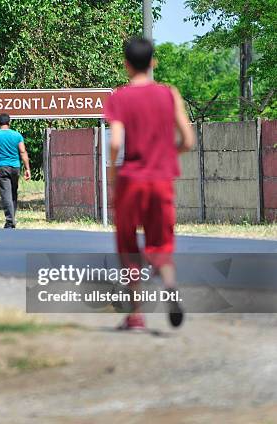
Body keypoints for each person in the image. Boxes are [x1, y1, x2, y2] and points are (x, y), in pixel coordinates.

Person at [104, 37, 195, 330]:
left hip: (131, 179)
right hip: (161, 179)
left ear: (126, 64)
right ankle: (169, 283)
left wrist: (113, 175)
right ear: (153, 62)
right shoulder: (169, 94)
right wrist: (167, 154)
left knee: (129, 245)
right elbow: (188, 140)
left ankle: (136, 314)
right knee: (160, 242)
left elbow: (116, 141)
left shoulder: (119, 97)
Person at [0, 113, 31, 229]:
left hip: (1, 167)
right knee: (13, 193)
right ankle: (12, 218)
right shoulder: (17, 135)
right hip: (15, 167)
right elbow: (23, 152)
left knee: (6, 194)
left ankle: (10, 221)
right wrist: (27, 168)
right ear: (9, 122)